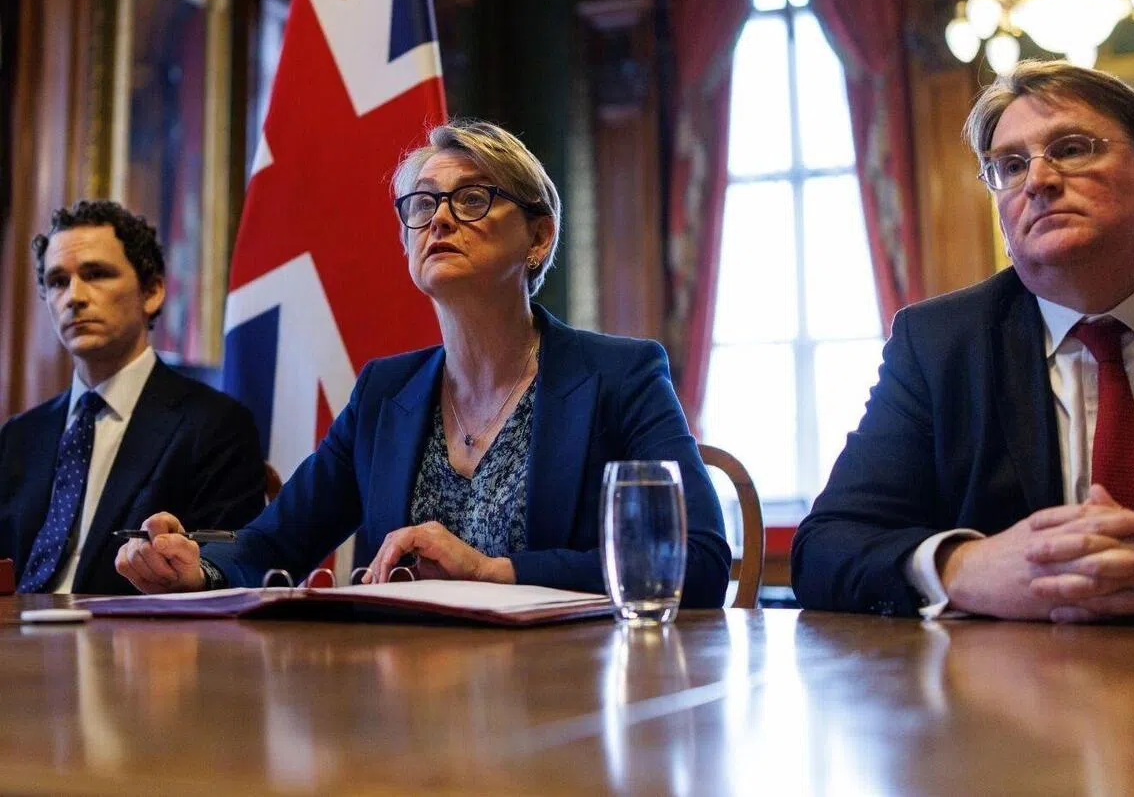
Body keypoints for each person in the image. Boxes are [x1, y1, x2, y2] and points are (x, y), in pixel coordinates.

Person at [116, 120, 731, 604]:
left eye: (470, 198)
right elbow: (273, 542)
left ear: (539, 237)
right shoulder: (385, 392)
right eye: (420, 204)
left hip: (569, 702)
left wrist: (496, 571)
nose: (437, 218)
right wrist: (195, 566)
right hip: (404, 708)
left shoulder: (620, 378)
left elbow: (695, 561)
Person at [792, 60, 1134, 623]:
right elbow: (827, 548)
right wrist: (961, 567)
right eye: (1009, 165)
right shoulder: (941, 344)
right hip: (1012, 691)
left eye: (1073, 149)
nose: (1039, 181)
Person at [0, 200, 265, 594]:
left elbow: (226, 573)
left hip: (133, 647)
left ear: (153, 291)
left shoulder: (215, 425)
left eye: (96, 274)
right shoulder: (20, 436)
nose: (74, 296)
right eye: (58, 281)